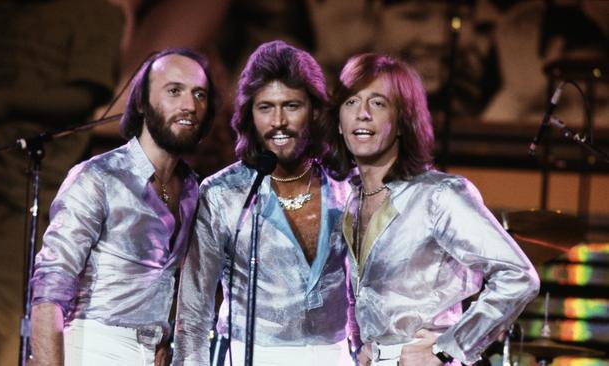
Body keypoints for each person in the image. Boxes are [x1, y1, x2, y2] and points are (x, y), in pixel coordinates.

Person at [325, 53, 540, 365]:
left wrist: (447, 348)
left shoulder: (439, 196)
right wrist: (362, 345)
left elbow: (520, 276)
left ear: (402, 122)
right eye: (351, 102)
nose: (363, 114)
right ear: (339, 124)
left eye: (379, 103)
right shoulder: (346, 199)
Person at [29, 48, 219, 365]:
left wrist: (164, 337)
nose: (190, 105)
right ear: (142, 103)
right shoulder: (98, 178)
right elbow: (49, 292)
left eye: (200, 94)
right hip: (90, 349)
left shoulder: (191, 189)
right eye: (175, 91)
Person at [0, 1, 123, 364]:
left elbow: (86, 96)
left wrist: (7, 102)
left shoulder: (95, 13)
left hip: (22, 191)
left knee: (11, 321)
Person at [173, 40, 354, 366]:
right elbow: (195, 308)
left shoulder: (346, 187)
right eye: (266, 107)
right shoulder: (223, 194)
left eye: (292, 106)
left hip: (336, 354)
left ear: (314, 110)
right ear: (248, 115)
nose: (278, 121)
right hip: (251, 354)